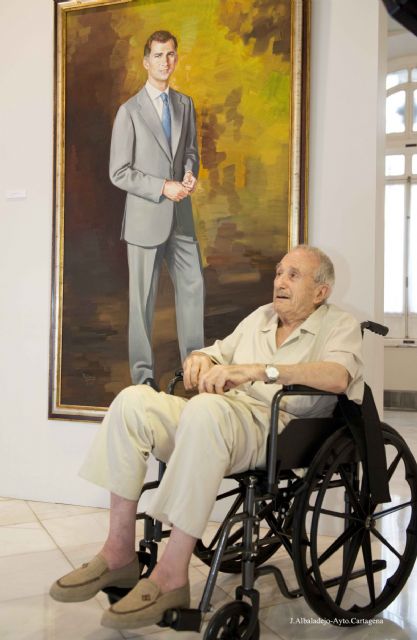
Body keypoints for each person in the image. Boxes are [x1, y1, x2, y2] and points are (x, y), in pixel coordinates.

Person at [50, 245, 364, 630]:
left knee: (205, 409)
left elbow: (337, 376)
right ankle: (118, 553)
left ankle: (171, 575)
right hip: (223, 415)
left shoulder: (340, 324)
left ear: (320, 291)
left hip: (278, 427)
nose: (280, 281)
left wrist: (258, 370)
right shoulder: (261, 317)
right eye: (279, 272)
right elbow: (217, 353)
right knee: (132, 401)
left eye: (293, 275)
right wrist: (201, 358)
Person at [109, 30, 204, 387]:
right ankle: (142, 377)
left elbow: (190, 151)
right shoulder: (128, 112)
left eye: (171, 54)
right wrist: (163, 186)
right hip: (144, 220)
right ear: (146, 61)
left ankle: (194, 371)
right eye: (159, 55)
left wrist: (190, 173)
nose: (166, 62)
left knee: (193, 289)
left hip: (181, 217)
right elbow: (119, 172)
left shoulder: (185, 104)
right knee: (142, 303)